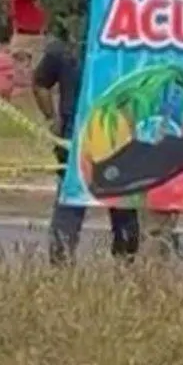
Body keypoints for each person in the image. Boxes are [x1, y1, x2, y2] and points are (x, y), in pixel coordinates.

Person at [33, 32, 140, 264]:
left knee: (122, 215)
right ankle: (63, 271)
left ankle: (125, 269)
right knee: (72, 209)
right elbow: (40, 82)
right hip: (79, 143)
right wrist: (53, 119)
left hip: (116, 143)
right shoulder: (66, 48)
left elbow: (41, 83)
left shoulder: (126, 44)